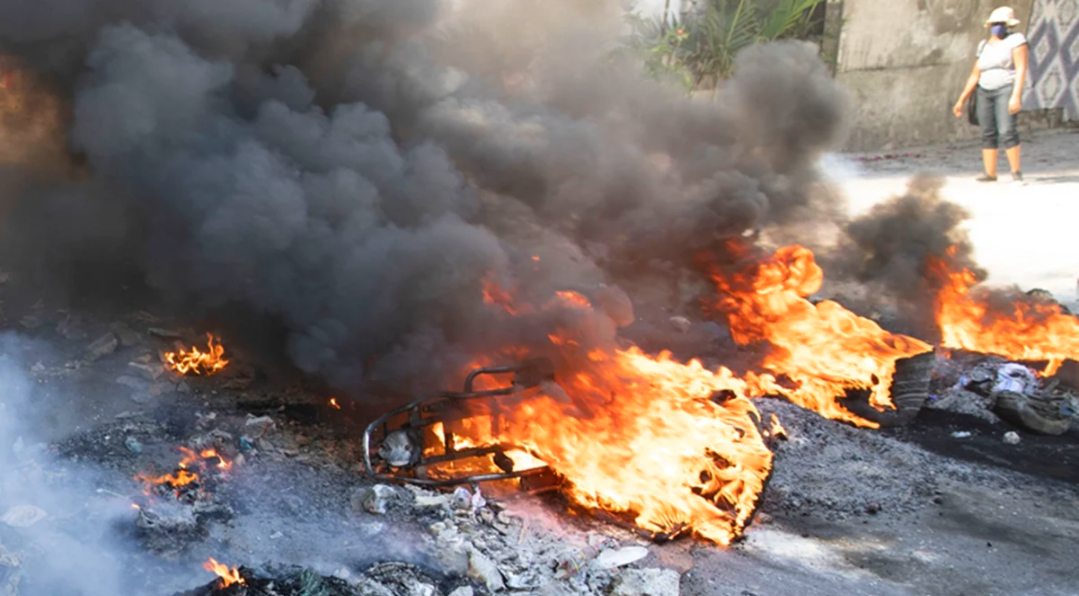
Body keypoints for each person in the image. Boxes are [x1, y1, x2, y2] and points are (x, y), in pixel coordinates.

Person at [952, 6, 1030, 183]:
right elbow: (975, 73)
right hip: (984, 90)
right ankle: (990, 173)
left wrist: (1016, 95)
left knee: (1007, 130)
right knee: (988, 131)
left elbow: (1021, 68)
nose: (997, 27)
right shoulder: (984, 45)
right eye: (995, 24)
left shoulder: (1016, 41)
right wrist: (961, 99)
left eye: (1001, 24)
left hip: (1005, 87)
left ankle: (1016, 172)